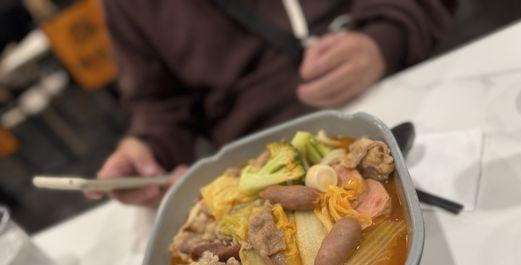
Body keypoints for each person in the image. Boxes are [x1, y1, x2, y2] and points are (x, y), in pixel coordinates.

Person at [90, 0, 457, 206]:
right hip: (260, 166)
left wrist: (382, 42)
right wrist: (144, 147)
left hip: (395, 98)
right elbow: (159, 103)